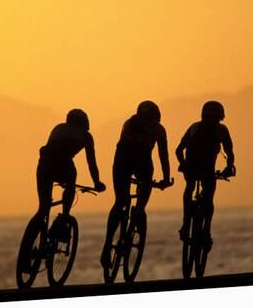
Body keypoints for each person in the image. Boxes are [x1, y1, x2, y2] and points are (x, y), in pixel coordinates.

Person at [101, 101, 173, 266]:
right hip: (124, 160)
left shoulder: (159, 130)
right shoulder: (130, 124)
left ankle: (139, 215)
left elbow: (163, 154)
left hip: (143, 163)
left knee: (141, 204)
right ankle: (107, 247)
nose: (151, 124)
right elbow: (135, 147)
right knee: (121, 201)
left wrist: (167, 177)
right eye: (149, 120)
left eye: (154, 121)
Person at [33, 109, 106, 236]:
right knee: (71, 181)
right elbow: (91, 163)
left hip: (44, 164)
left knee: (43, 208)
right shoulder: (86, 136)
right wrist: (97, 182)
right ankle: (65, 217)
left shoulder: (59, 127)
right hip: (63, 164)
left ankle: (29, 245)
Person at [175, 101, 235, 250]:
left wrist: (182, 163)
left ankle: (189, 226)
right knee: (206, 196)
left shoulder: (195, 127)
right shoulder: (220, 130)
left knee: (192, 189)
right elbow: (229, 152)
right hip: (201, 168)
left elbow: (178, 150)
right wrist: (228, 168)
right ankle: (202, 230)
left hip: (194, 167)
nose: (214, 121)